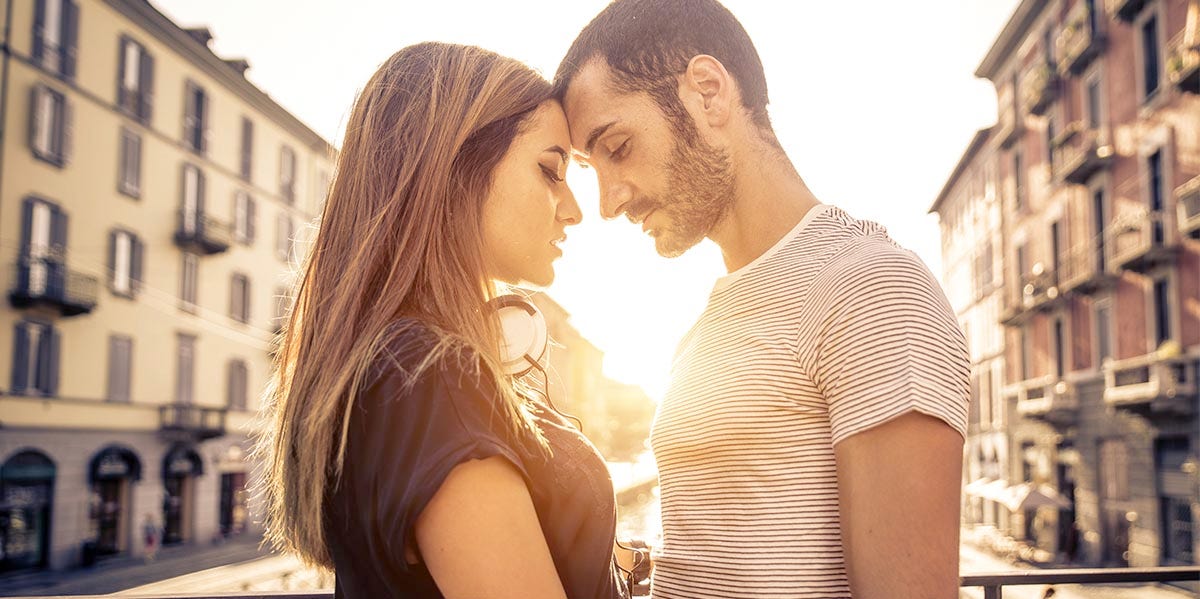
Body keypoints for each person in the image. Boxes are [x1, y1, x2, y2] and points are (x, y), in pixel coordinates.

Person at [555, 1, 970, 598]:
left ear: (708, 92)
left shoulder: (870, 290)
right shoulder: (703, 330)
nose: (609, 202)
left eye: (616, 147)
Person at [259, 42, 628, 599]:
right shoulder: (430, 377)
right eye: (551, 171)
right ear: (455, 168)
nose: (575, 209)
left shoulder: (402, 366)